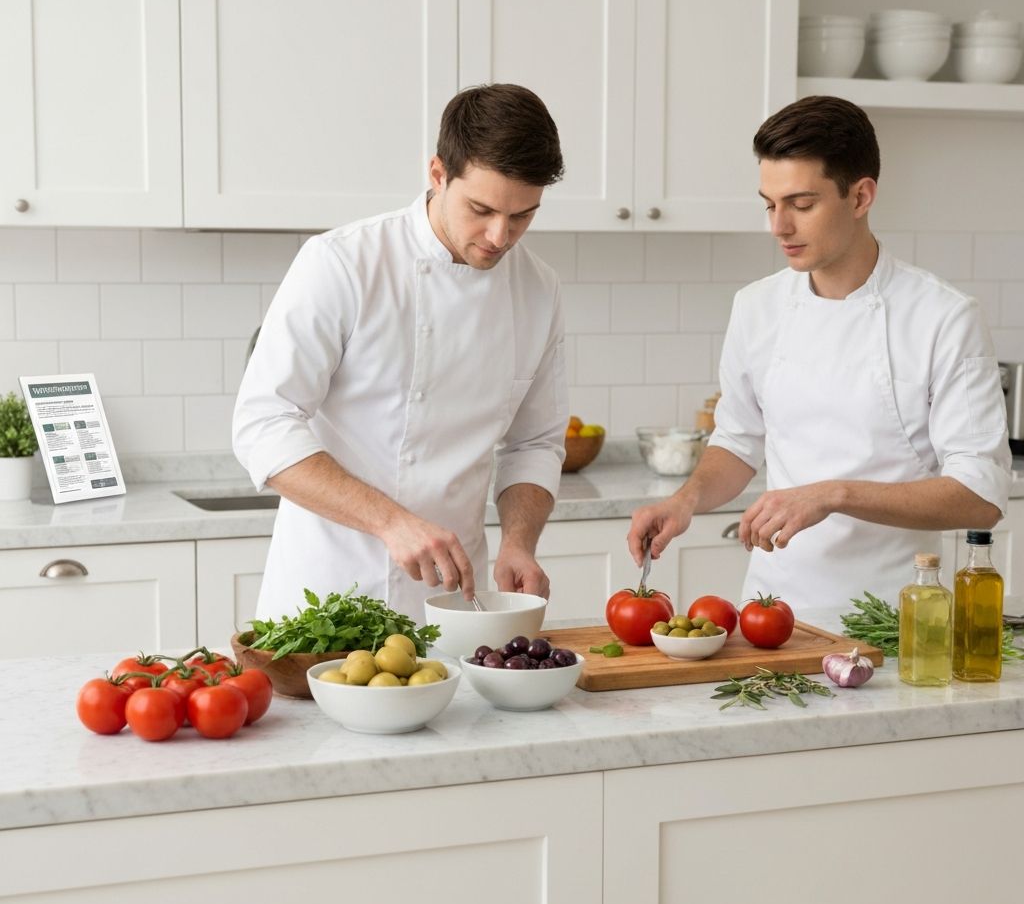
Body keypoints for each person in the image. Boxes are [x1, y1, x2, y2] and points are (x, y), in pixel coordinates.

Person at [627, 95, 1011, 610]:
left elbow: (981, 497)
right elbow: (739, 441)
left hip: (894, 621)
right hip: (772, 617)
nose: (778, 226)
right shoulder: (756, 307)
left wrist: (831, 494)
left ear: (860, 197)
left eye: (801, 205)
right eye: (769, 203)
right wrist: (685, 499)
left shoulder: (944, 317)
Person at [233, 84, 568, 622]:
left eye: (523, 216)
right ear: (438, 174)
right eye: (480, 209)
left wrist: (518, 542)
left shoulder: (538, 288)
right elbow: (262, 425)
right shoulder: (343, 263)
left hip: (454, 603)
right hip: (328, 592)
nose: (500, 235)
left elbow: (535, 442)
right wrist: (391, 522)